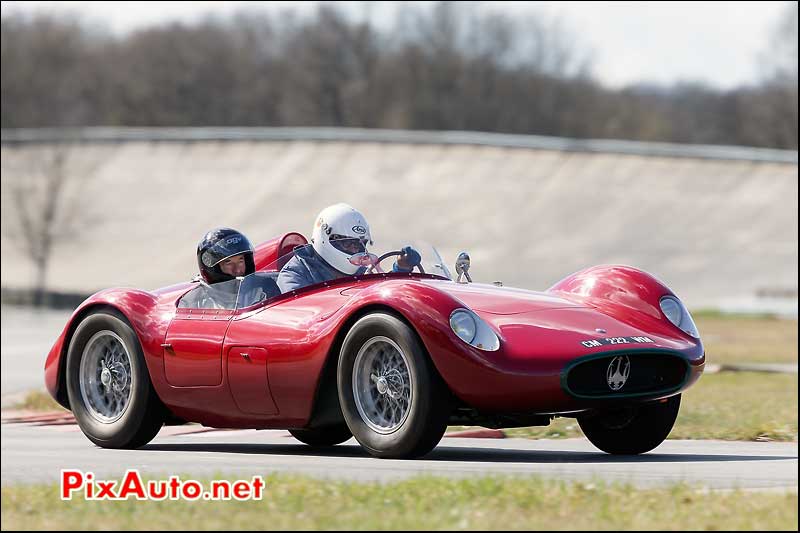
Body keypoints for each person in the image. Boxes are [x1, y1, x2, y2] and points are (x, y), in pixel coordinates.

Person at [277, 203, 421, 293]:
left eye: (360, 244)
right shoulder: (294, 274)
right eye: (349, 243)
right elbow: (302, 316)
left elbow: (382, 294)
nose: (356, 250)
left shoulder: (360, 272)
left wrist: (401, 269)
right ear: (327, 238)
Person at [179, 227, 264, 309]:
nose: (237, 269)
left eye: (241, 261)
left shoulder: (263, 290)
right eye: (228, 263)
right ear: (214, 268)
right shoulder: (194, 303)